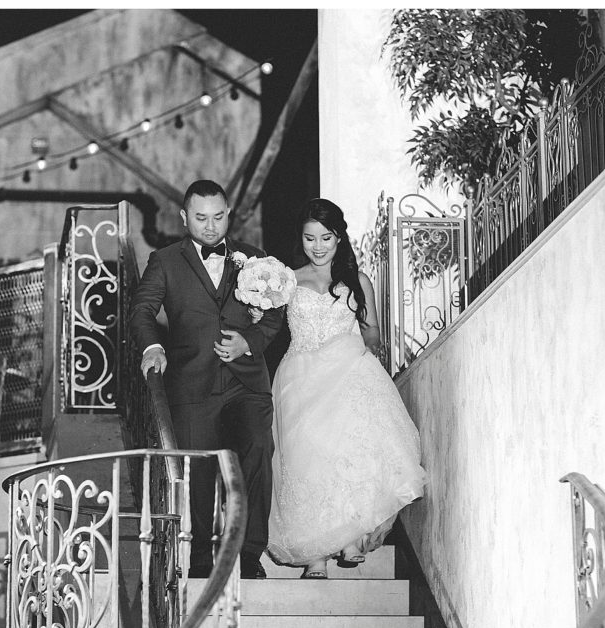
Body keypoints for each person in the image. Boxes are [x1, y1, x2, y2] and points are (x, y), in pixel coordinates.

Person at [129, 179, 284, 580]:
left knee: (256, 457)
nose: (211, 226)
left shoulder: (255, 258)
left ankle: (249, 553)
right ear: (184, 218)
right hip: (191, 383)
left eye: (218, 217)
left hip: (247, 383)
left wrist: (249, 342)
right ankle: (198, 555)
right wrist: (153, 349)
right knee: (196, 470)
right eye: (201, 218)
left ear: (228, 214)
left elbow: (275, 313)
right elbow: (141, 312)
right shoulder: (164, 260)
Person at [266, 198, 427, 579]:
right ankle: (314, 555)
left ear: (339, 238)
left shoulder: (359, 281)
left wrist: (355, 343)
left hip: (344, 368)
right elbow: (269, 328)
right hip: (300, 376)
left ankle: (351, 534)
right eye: (309, 238)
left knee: (352, 448)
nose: (317, 246)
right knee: (306, 459)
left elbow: (373, 332)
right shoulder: (288, 280)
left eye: (325, 238)